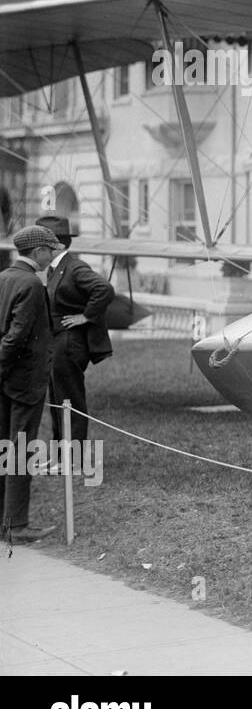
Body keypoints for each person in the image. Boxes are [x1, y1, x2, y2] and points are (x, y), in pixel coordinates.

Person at [0, 225, 59, 542]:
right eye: (50, 249)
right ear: (37, 252)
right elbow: (17, 337)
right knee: (20, 451)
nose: (53, 255)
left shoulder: (4, 278)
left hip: (7, 382)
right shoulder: (32, 285)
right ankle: (17, 526)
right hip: (25, 383)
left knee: (4, 450)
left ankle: (5, 521)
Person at [36, 215, 115, 444]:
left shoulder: (74, 267)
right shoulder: (56, 268)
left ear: (57, 244)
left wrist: (86, 316)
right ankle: (61, 455)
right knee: (58, 400)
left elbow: (104, 289)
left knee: (70, 400)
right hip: (58, 342)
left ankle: (74, 458)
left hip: (70, 343)